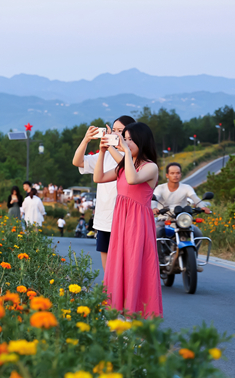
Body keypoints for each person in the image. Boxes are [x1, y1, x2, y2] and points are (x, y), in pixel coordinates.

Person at [94, 122, 163, 318]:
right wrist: (103, 152)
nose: (126, 142)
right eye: (125, 138)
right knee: (118, 265)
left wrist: (123, 150)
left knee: (134, 266)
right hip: (120, 222)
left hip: (138, 224)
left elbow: (132, 179)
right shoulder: (124, 166)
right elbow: (98, 177)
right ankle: (117, 312)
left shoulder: (150, 167)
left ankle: (134, 315)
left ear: (142, 141)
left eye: (131, 139)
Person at [72, 115, 136, 271]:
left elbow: (123, 165)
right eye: (113, 130)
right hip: (105, 219)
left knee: (126, 267)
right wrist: (86, 140)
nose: (115, 134)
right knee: (108, 269)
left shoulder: (133, 157)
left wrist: (110, 146)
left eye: (120, 131)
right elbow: (77, 162)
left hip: (126, 219)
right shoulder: (105, 155)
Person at [152, 162, 211, 259]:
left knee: (198, 234)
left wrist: (202, 206)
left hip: (182, 220)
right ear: (167, 175)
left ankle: (193, 258)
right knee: (157, 232)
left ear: (181, 174)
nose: (175, 175)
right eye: (172, 173)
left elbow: (195, 198)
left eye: (178, 173)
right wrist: (154, 208)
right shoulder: (160, 188)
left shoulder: (186, 188)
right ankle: (160, 259)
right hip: (165, 220)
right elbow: (154, 199)